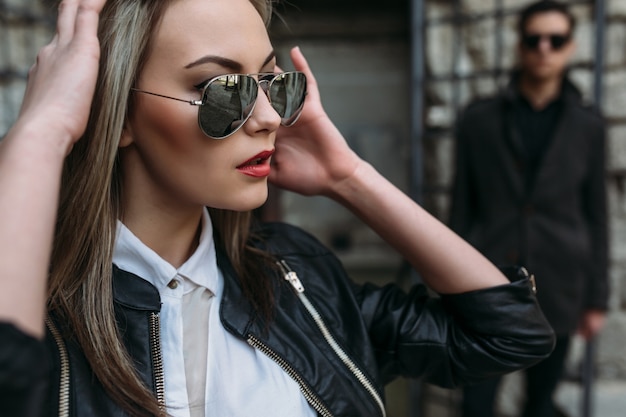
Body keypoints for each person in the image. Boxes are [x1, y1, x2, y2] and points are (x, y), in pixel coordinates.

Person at [0, 0, 555, 416]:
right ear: (116, 113)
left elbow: (509, 334)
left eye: (270, 82)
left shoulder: (296, 281)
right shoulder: (37, 310)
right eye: (224, 88)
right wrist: (43, 133)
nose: (268, 116)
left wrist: (350, 177)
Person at [450, 1, 608, 417]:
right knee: (476, 402)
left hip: (560, 284)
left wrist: (597, 299)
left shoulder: (588, 125)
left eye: (555, 40)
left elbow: (596, 215)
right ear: (519, 46)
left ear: (570, 47)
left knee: (540, 404)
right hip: (487, 284)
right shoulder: (478, 120)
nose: (544, 48)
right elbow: (461, 211)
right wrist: (449, 286)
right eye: (533, 38)